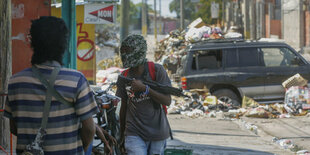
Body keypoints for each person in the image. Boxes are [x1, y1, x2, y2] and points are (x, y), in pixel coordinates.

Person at [4, 16, 99, 154]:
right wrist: (79, 149)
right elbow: (89, 129)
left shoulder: (15, 82)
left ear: (33, 42)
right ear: (63, 44)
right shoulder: (76, 80)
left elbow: (13, 128)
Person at [116, 34, 172, 155]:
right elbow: (123, 108)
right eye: (123, 51)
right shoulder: (123, 78)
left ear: (139, 52)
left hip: (158, 133)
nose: (124, 55)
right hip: (133, 133)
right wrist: (121, 136)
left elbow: (167, 101)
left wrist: (146, 89)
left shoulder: (157, 71)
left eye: (128, 51)